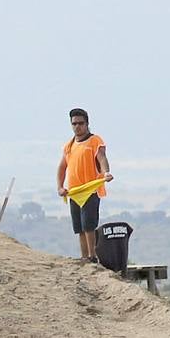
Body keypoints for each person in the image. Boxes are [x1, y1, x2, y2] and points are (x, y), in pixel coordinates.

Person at [56, 107, 114, 262]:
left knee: (89, 225)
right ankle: (84, 257)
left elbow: (101, 157)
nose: (77, 126)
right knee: (79, 227)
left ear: (87, 123)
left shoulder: (95, 141)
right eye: (74, 123)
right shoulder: (69, 145)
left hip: (90, 190)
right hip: (74, 191)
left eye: (80, 123)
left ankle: (92, 256)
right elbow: (62, 167)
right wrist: (60, 186)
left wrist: (106, 172)